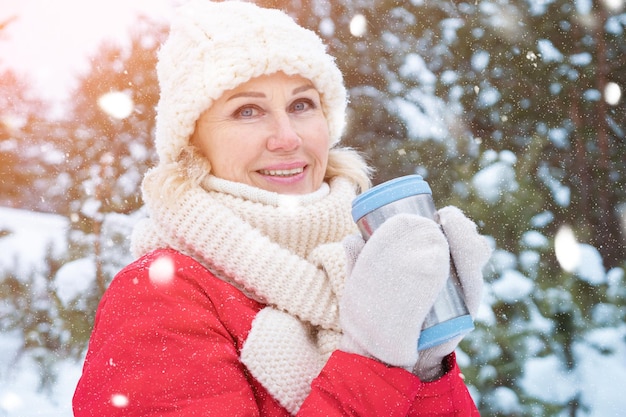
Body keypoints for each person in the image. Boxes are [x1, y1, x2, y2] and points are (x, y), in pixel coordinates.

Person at [72, 1, 492, 416]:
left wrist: (425, 364)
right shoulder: (161, 294)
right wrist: (374, 363)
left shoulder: (364, 265)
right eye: (247, 110)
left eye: (301, 105)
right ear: (193, 143)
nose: (287, 137)